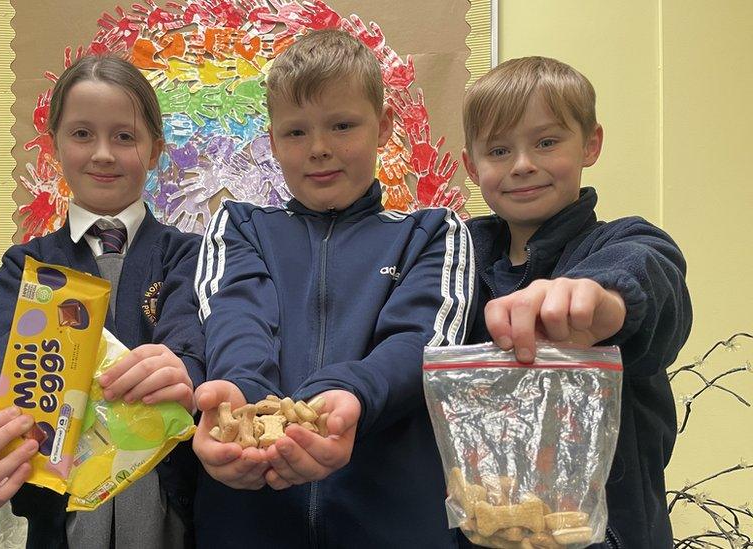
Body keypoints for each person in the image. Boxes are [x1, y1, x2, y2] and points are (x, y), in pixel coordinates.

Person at [191, 29, 475, 547]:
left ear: (384, 127)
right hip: (248, 520)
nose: (319, 149)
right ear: (272, 141)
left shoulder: (434, 232)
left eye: (342, 125)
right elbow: (237, 320)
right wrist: (243, 404)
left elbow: (422, 344)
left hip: (395, 525)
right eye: (296, 133)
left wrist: (348, 398)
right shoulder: (239, 226)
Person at [0, 54, 204, 548]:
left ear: (153, 151)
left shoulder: (186, 254)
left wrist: (183, 367)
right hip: (59, 516)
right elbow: (4, 373)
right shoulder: (28, 265)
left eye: (124, 136)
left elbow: (192, 344)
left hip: (169, 509)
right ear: (54, 146)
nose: (103, 153)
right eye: (82, 134)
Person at [460, 56, 692, 548]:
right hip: (482, 532)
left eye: (546, 142)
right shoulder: (454, 260)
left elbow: (651, 274)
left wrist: (601, 298)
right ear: (471, 166)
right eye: (499, 150)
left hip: (611, 532)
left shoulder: (624, 242)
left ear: (591, 144)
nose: (523, 164)